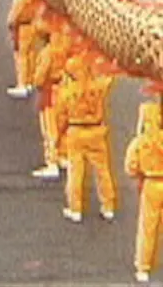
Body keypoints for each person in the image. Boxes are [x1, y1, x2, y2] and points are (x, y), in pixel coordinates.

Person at [56, 52, 116, 223]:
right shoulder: (98, 86)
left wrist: (60, 136)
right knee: (103, 170)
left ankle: (75, 208)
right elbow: (110, 78)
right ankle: (108, 205)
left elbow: (61, 116)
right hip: (97, 131)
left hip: (76, 132)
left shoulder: (67, 92)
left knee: (75, 172)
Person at [31, 10, 74, 180]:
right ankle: (63, 155)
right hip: (64, 89)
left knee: (49, 128)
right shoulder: (64, 49)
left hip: (50, 92)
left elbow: (39, 78)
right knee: (63, 124)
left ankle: (52, 162)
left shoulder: (47, 53)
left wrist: (36, 81)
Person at [126, 99, 163, 283]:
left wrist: (135, 172)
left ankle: (143, 267)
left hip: (152, 181)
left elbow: (131, 163)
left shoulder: (145, 137)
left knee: (148, 227)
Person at [6, 0, 45, 98]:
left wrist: (11, 28)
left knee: (20, 55)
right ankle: (29, 81)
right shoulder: (34, 0)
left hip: (22, 28)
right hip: (32, 27)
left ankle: (21, 83)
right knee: (30, 53)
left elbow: (12, 19)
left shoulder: (20, 1)